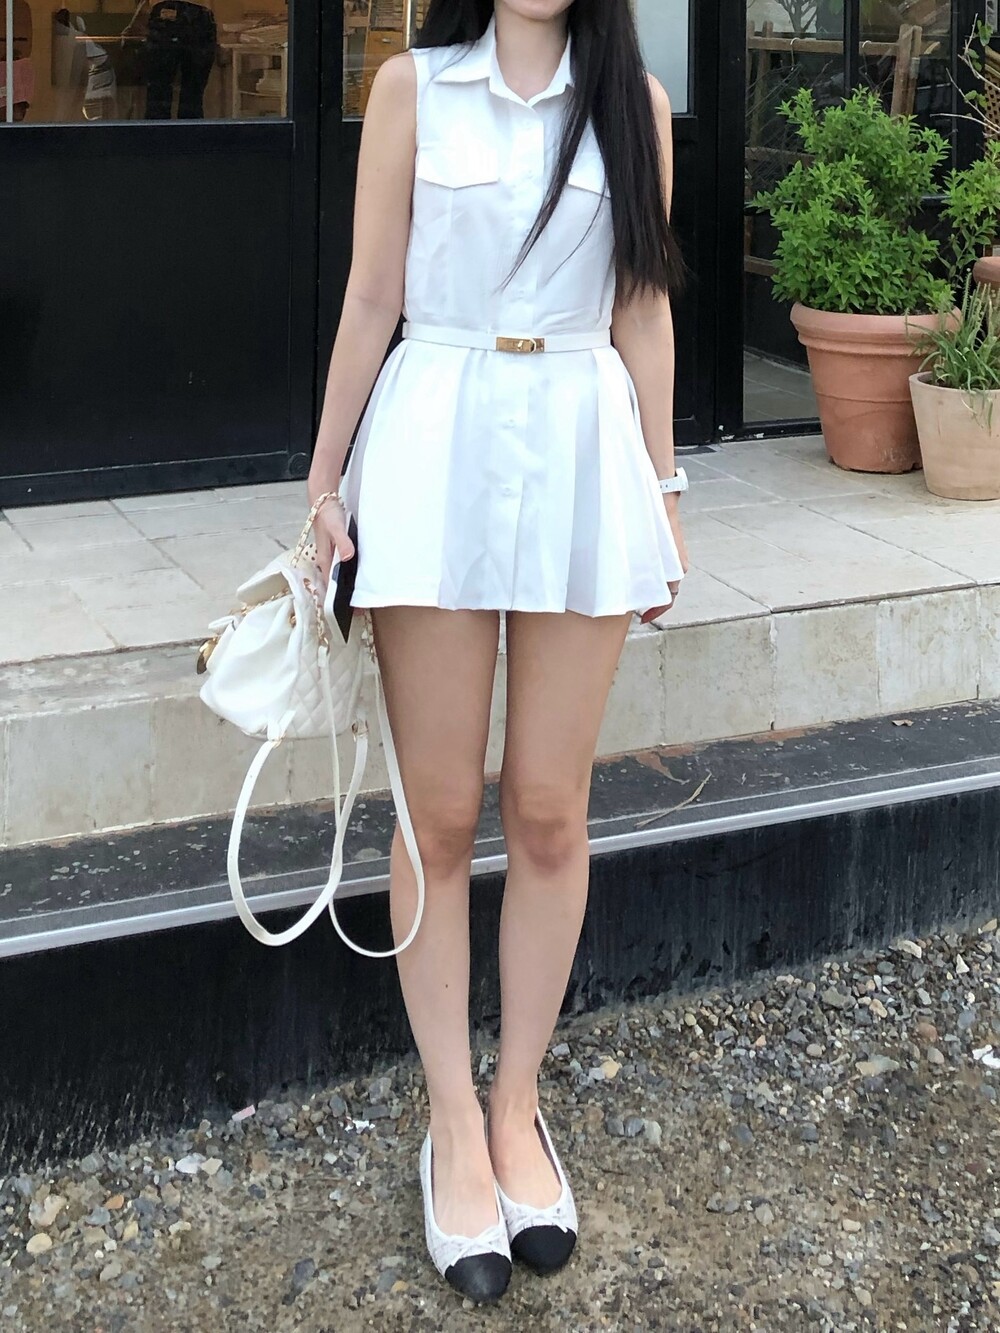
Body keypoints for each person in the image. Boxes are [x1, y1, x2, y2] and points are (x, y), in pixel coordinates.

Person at [307, 0, 689, 1305]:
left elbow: (643, 310)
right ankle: (452, 1122)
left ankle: (518, 1100)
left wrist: (665, 491)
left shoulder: (633, 104)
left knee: (548, 808)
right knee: (439, 811)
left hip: (583, 447)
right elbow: (372, 296)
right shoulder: (414, 88)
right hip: (437, 440)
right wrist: (324, 484)